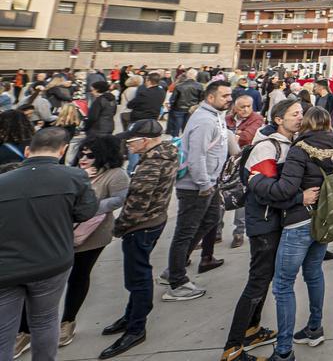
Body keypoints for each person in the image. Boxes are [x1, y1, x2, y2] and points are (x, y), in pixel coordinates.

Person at [249, 106, 333, 361]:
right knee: (314, 273)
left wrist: (256, 180)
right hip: (323, 220)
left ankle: (283, 351)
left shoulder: (299, 151)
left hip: (299, 223)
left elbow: (284, 190)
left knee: (283, 285)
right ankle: (315, 327)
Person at [0, 127, 98, 361]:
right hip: (52, 262)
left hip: (6, 269)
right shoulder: (74, 176)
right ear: (63, 150)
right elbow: (86, 212)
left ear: (27, 151)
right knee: (44, 320)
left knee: (4, 330)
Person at [223, 99, 306, 361]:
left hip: (273, 221)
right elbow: (265, 191)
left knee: (265, 277)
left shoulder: (287, 143)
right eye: (295, 114)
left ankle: (251, 329)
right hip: (264, 224)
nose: (300, 117)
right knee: (258, 281)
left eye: (301, 112)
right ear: (279, 119)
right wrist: (299, 199)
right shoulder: (266, 147)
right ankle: (232, 348)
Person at [101, 119, 179, 359]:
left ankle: (136, 328)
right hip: (155, 220)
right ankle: (131, 314)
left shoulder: (150, 165)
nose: (127, 144)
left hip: (142, 226)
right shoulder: (167, 153)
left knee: (138, 278)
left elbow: (137, 205)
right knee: (138, 275)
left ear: (145, 140)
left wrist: (119, 228)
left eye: (131, 141)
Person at [164, 80, 232, 301]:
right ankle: (176, 281)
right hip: (197, 186)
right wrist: (204, 183)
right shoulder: (204, 120)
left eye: (229, 95)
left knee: (211, 218)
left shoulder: (214, 116)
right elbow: (196, 155)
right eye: (224, 96)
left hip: (208, 181)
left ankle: (177, 264)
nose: (229, 99)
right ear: (210, 98)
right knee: (185, 231)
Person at [60, 134, 130, 347]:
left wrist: (86, 197)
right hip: (61, 232)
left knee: (79, 276)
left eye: (91, 155)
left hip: (92, 236)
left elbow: (118, 200)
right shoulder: (70, 172)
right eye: (82, 153)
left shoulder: (116, 175)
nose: (84, 158)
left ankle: (67, 321)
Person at [226, 94, 264, 249]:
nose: (246, 109)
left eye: (249, 106)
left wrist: (231, 136)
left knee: (240, 196)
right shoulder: (228, 119)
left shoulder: (256, 118)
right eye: (242, 106)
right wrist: (233, 136)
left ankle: (238, 232)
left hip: (244, 163)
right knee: (220, 195)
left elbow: (248, 137)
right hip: (226, 163)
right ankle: (215, 232)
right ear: (235, 107)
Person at [167, 69, 203, 136]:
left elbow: (173, 99)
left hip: (179, 108)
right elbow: (201, 98)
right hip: (192, 108)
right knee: (187, 127)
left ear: (187, 75)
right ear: (195, 76)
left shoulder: (179, 85)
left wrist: (171, 106)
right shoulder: (199, 86)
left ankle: (175, 141)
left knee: (176, 127)